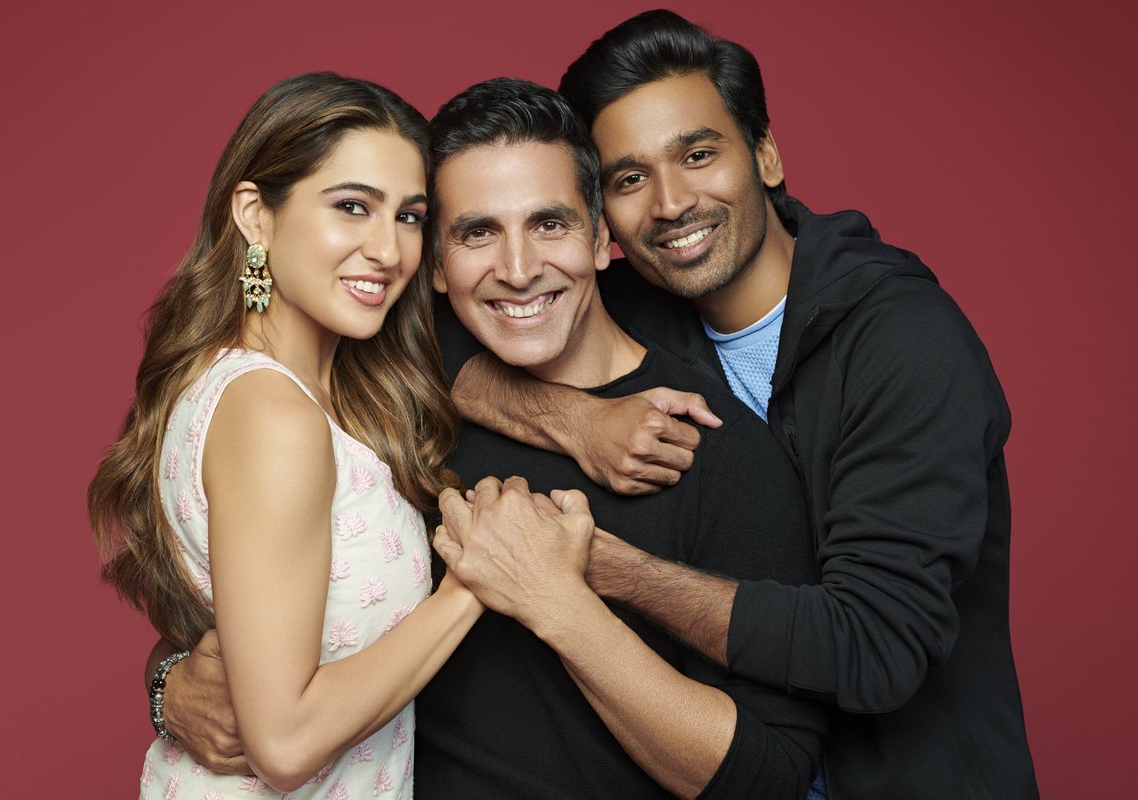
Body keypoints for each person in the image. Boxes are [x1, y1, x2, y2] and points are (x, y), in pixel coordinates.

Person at [156, 78, 826, 799]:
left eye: (550, 224)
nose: (518, 269)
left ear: (602, 237)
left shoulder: (715, 449)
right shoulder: (394, 412)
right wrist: (168, 683)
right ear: (438, 265)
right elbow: (255, 625)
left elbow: (772, 777)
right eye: (477, 232)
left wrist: (556, 600)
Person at [448, 11, 1039, 800]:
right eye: (630, 179)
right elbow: (432, 328)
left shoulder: (905, 343)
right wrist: (574, 419)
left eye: (697, 155)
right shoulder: (628, 306)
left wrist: (597, 570)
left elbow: (876, 646)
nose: (670, 204)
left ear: (765, 154)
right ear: (601, 217)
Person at [88, 72, 482, 799]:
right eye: (352, 206)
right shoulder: (272, 414)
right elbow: (285, 743)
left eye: (408, 216)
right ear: (255, 215)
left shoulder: (299, 395)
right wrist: (474, 586)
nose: (388, 249)